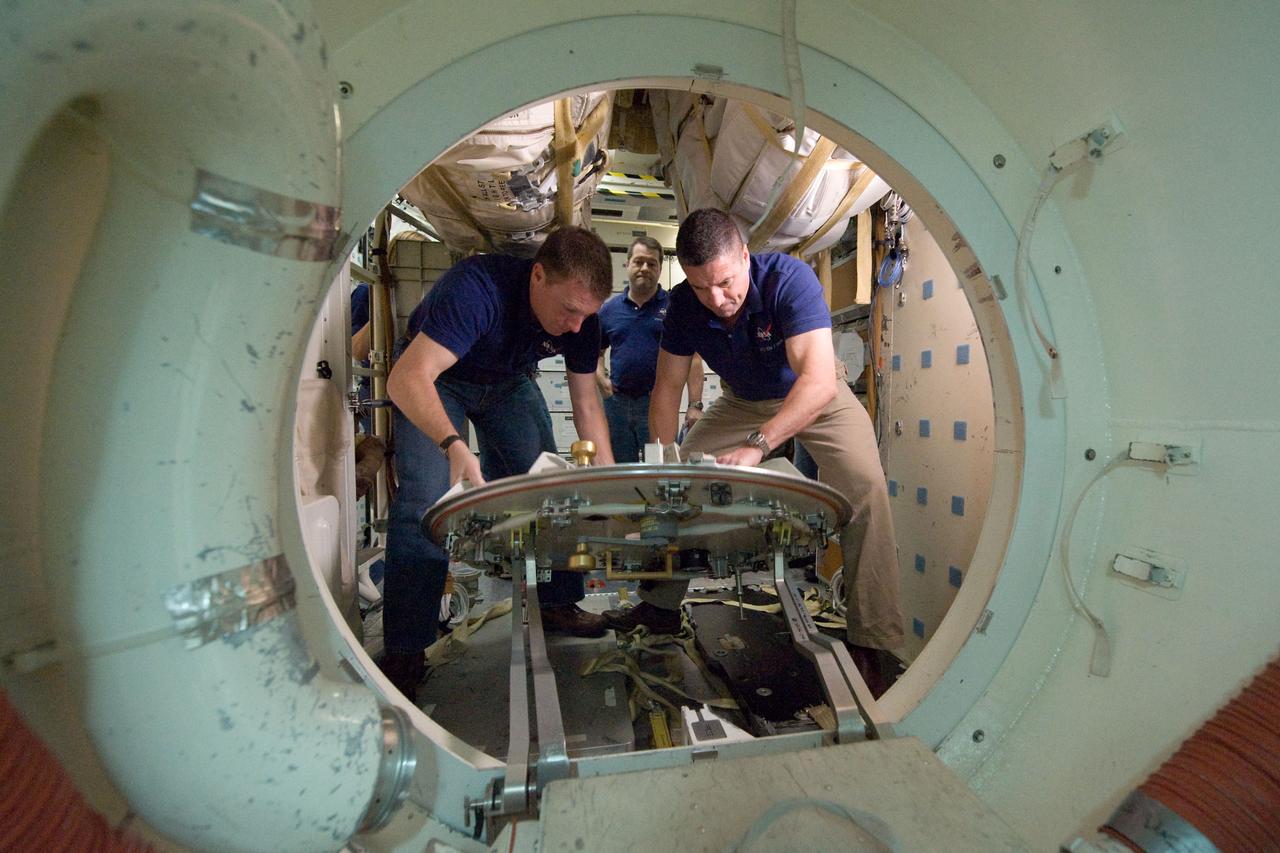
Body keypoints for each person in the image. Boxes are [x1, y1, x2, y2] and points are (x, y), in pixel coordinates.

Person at [601, 208, 903, 695]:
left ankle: (871, 640)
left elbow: (819, 380)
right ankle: (659, 605)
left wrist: (758, 445)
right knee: (680, 481)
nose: (716, 300)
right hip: (741, 401)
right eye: (701, 288)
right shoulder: (684, 304)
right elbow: (666, 389)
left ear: (744, 256)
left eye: (724, 282)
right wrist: (662, 465)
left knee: (866, 489)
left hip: (816, 395)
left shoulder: (790, 280)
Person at [381, 227, 616, 700]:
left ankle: (557, 601)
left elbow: (588, 406)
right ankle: (406, 646)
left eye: (585, 316)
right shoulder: (476, 290)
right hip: (439, 381)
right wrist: (452, 443)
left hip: (507, 382)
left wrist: (611, 487)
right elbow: (405, 378)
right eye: (569, 310)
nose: (576, 326)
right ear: (537, 276)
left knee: (552, 487)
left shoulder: (582, 320)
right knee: (425, 505)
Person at [595, 236, 705, 462]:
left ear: (660, 268)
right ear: (627, 264)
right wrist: (601, 379)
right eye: (638, 262)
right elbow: (596, 353)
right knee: (621, 468)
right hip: (617, 404)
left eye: (651, 263)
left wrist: (695, 405)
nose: (644, 268)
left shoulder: (674, 308)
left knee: (660, 466)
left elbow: (693, 359)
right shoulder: (609, 310)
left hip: (657, 402)